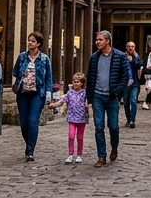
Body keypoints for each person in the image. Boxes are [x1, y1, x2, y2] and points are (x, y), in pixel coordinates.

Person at [84, 30, 129, 167]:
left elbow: (125, 76)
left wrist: (117, 91)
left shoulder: (120, 56)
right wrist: (89, 97)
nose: (97, 42)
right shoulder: (94, 57)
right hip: (98, 95)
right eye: (97, 39)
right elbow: (90, 77)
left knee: (113, 126)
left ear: (108, 41)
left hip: (112, 96)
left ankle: (114, 147)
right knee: (99, 126)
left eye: (100, 40)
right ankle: (101, 156)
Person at [12, 31, 52, 161]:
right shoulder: (22, 57)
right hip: (23, 93)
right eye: (29, 40)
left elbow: (48, 78)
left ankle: (30, 150)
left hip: (37, 94)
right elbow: (15, 72)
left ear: (38, 43)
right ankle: (28, 143)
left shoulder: (44, 59)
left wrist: (48, 94)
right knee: (24, 123)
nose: (30, 43)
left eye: (33, 41)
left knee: (33, 121)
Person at [46, 72, 88, 163]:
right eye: (74, 81)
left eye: (77, 82)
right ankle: (70, 154)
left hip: (81, 118)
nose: (75, 83)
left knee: (80, 137)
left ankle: (79, 154)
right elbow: (62, 101)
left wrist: (88, 106)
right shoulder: (70, 93)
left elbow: (88, 103)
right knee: (71, 136)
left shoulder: (84, 93)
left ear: (82, 83)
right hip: (72, 118)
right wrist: (54, 105)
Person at [125, 41, 143, 128]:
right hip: (125, 83)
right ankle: (128, 119)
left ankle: (132, 120)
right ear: (126, 47)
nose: (131, 48)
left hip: (135, 83)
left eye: (132, 46)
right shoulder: (123, 57)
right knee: (126, 102)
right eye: (129, 46)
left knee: (133, 101)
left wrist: (133, 60)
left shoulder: (136, 57)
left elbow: (140, 65)